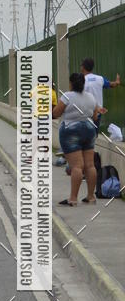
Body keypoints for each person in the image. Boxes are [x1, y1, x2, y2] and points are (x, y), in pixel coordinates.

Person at [52, 71, 105, 205]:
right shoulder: (91, 97)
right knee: (90, 165)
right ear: (83, 83)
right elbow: (95, 116)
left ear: (71, 83)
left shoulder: (67, 96)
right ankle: (90, 197)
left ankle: (73, 199)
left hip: (71, 130)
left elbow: (56, 113)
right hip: (89, 130)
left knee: (76, 166)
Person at [80, 57, 121, 130]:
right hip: (98, 113)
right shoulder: (100, 79)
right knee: (94, 134)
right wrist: (117, 82)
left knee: (84, 134)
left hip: (85, 114)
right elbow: (112, 84)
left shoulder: (81, 80)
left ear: (83, 67)